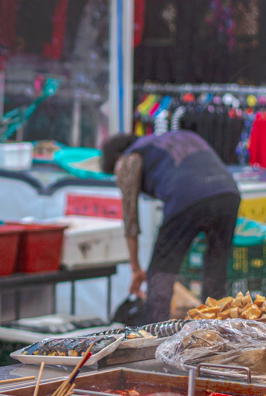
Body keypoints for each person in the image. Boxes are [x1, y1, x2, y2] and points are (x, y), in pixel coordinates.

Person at [101, 131, 241, 325]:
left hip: (187, 197)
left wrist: (136, 268)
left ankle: (153, 336)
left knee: (161, 272)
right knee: (216, 270)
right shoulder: (174, 138)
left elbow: (130, 220)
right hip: (229, 192)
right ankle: (216, 332)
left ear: (116, 159)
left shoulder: (129, 158)